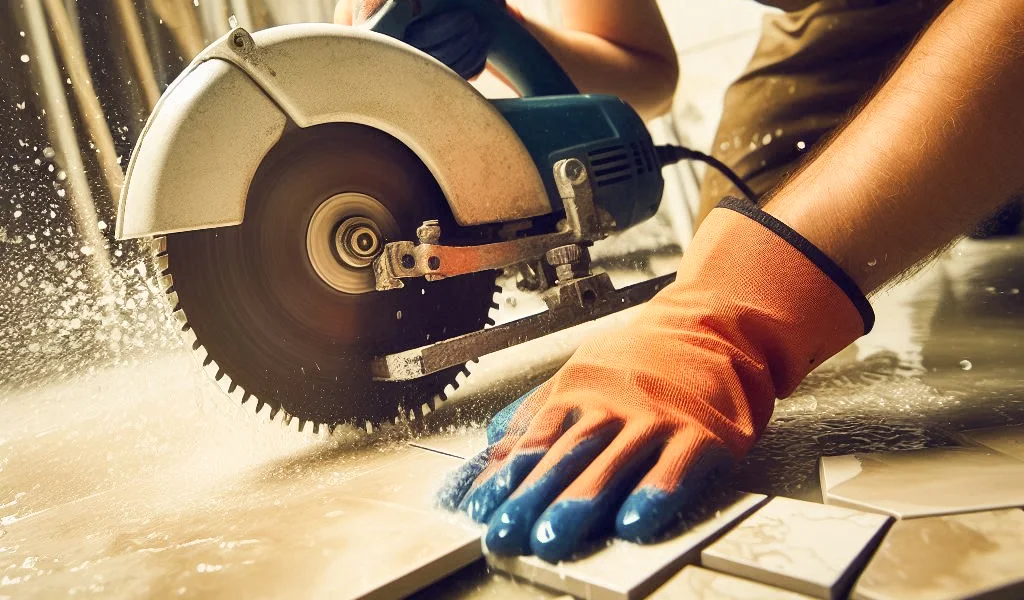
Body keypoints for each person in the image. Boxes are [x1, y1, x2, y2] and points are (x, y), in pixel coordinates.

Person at [336, 0, 1024, 562]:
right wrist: (500, 29)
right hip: (829, 18)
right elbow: (644, 72)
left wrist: (728, 311)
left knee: (808, 241)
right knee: (752, 209)